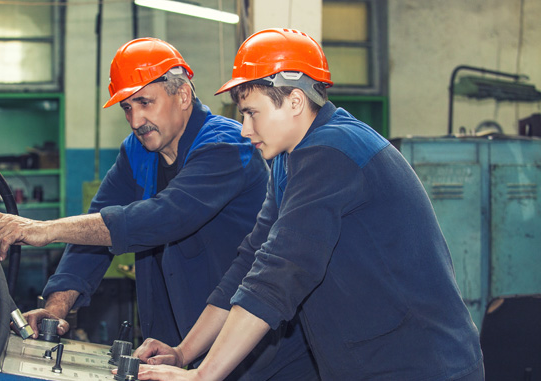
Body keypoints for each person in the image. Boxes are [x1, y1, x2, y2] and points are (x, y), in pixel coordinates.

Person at [135, 28, 485, 380]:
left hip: (422, 367)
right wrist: (184, 353)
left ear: (295, 102)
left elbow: (278, 274)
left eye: (252, 113)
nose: (244, 129)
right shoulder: (288, 162)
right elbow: (252, 263)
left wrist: (203, 376)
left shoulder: (332, 152)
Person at [0, 37, 318, 379]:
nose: (135, 120)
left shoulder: (227, 146)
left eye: (144, 102)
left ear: (182, 95)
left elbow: (164, 217)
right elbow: (98, 225)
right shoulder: (137, 152)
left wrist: (43, 230)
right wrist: (56, 307)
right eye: (126, 107)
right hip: (175, 349)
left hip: (256, 353)